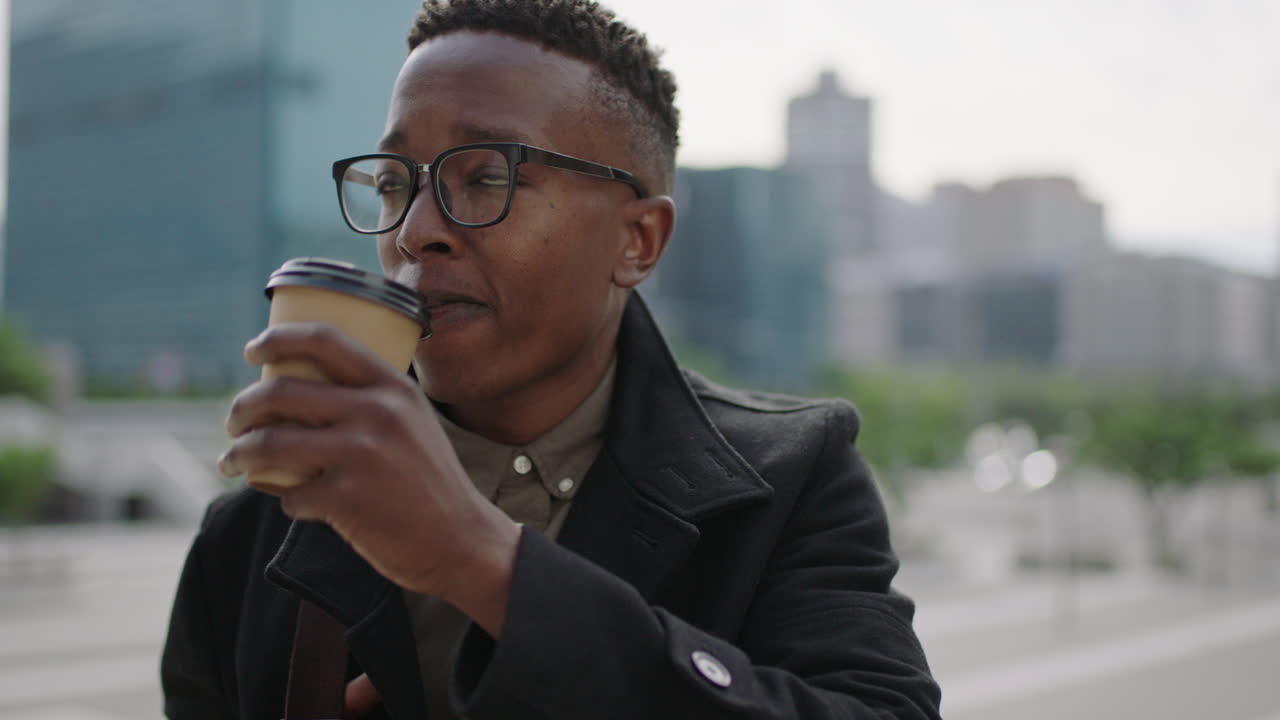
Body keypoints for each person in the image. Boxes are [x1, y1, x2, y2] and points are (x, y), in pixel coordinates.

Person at [160, 1, 942, 718]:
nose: (414, 231)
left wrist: (481, 560)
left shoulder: (789, 481)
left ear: (637, 241)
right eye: (397, 183)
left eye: (487, 176)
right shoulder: (254, 532)